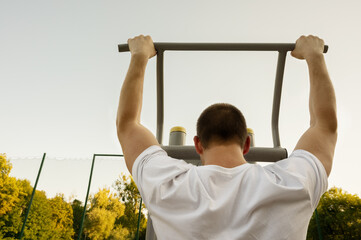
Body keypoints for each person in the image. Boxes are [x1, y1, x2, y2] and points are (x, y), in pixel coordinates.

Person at [116, 35, 337, 239]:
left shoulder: (168, 185)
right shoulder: (291, 184)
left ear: (197, 145)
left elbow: (127, 125)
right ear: (247, 143)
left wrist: (139, 55)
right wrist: (314, 55)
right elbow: (324, 125)